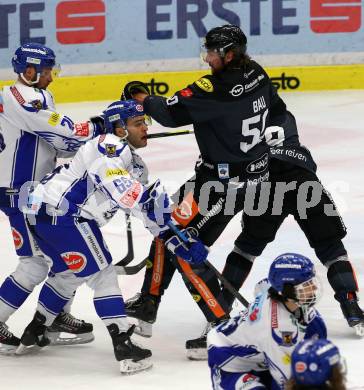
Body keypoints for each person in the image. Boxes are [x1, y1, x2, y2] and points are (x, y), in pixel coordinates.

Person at [121, 24, 299, 356]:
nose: (208, 59)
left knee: (185, 247)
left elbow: (170, 114)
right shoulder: (257, 74)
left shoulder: (213, 87)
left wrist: (140, 95)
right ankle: (148, 304)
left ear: (230, 54)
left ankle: (222, 327)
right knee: (167, 228)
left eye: (214, 54)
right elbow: (278, 112)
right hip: (242, 178)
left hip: (222, 185)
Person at [17, 100, 207, 374]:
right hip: (66, 216)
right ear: (120, 129)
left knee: (68, 275)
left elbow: (148, 211)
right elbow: (113, 179)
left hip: (45, 216)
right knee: (103, 275)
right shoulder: (109, 145)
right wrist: (146, 200)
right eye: (137, 124)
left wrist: (175, 239)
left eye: (145, 123)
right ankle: (124, 346)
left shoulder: (132, 161)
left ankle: (36, 330)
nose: (145, 128)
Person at [0, 42, 105, 352]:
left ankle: (58, 314)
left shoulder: (40, 95)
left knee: (61, 254)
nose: (51, 77)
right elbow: (59, 130)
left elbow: (57, 142)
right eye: (46, 71)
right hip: (17, 192)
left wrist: (91, 145)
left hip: (37, 192)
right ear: (28, 71)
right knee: (33, 265)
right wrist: (100, 125)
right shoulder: (17, 95)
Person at [207, 253, 327, 390]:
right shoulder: (279, 330)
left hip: (259, 356)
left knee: (314, 327)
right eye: (306, 285)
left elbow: (262, 285)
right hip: (228, 361)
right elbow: (287, 382)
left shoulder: (276, 289)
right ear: (288, 290)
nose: (314, 288)